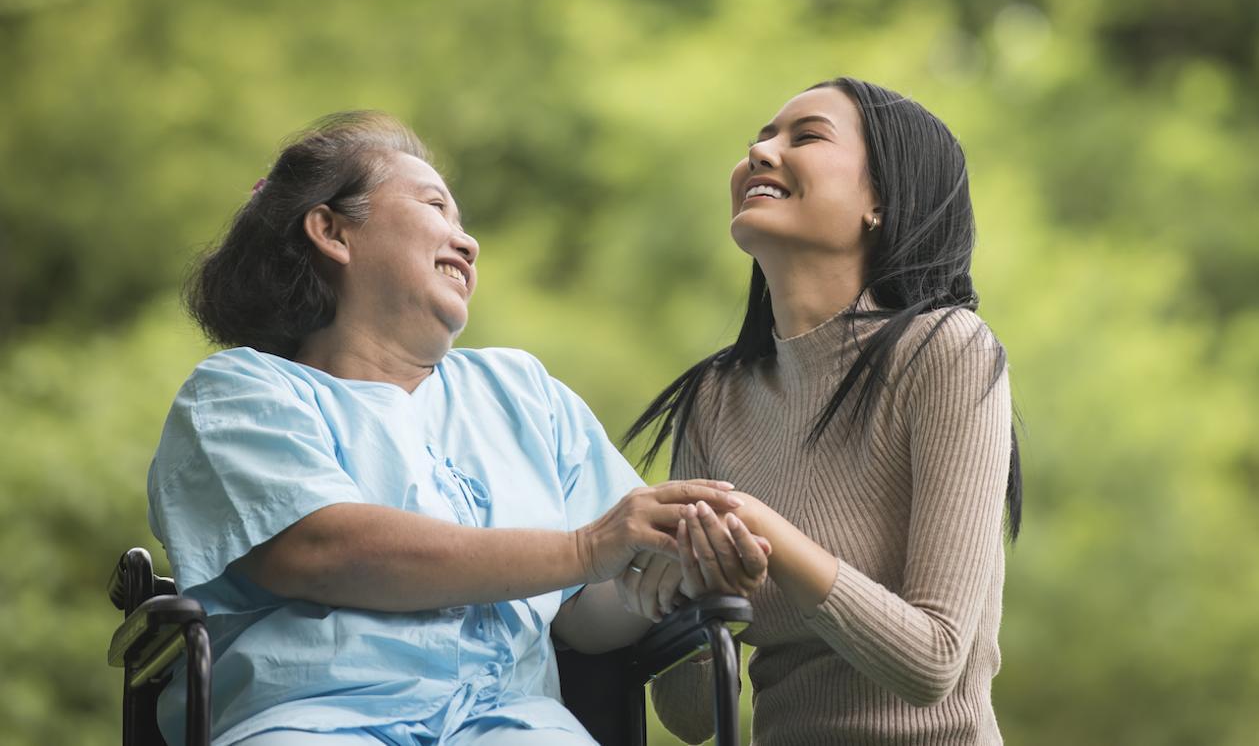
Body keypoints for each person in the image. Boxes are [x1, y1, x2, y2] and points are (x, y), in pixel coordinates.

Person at [146, 111, 751, 746]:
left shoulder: (524, 394)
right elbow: (323, 550)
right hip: (315, 718)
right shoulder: (240, 393)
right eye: (436, 207)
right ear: (332, 231)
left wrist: (674, 571)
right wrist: (586, 547)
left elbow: (583, 616)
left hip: (512, 723)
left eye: (464, 224)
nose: (468, 243)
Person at [621, 78, 1023, 745]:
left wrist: (763, 533)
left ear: (881, 201)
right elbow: (690, 719)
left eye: (804, 136)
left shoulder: (947, 351)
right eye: (757, 136)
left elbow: (932, 661)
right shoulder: (715, 398)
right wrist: (687, 594)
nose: (759, 150)